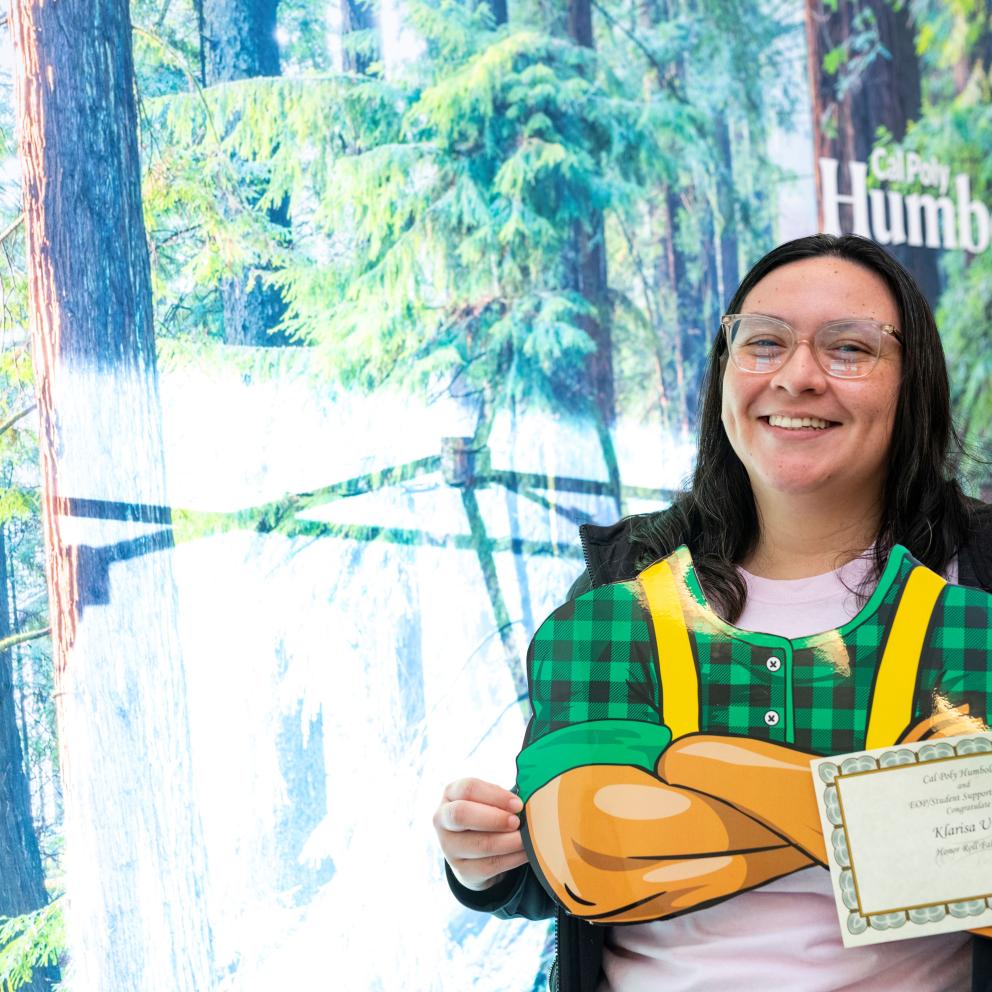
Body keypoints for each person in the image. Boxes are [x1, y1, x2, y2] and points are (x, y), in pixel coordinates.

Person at [433, 234, 992, 991]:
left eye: (849, 348)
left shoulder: (977, 583)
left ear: (913, 381)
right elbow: (589, 852)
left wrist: (691, 770)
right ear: (725, 376)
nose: (798, 377)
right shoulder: (620, 587)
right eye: (763, 342)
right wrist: (491, 864)